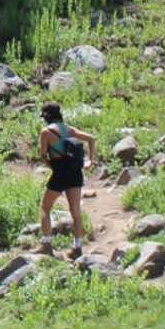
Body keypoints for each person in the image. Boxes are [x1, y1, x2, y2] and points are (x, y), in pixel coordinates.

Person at [37, 102, 98, 256]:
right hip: (76, 172)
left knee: (45, 207)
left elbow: (43, 155)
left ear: (46, 117)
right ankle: (77, 247)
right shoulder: (69, 129)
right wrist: (90, 161)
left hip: (60, 172)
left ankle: (46, 245)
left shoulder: (46, 132)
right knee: (75, 211)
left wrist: (52, 167)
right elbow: (91, 139)